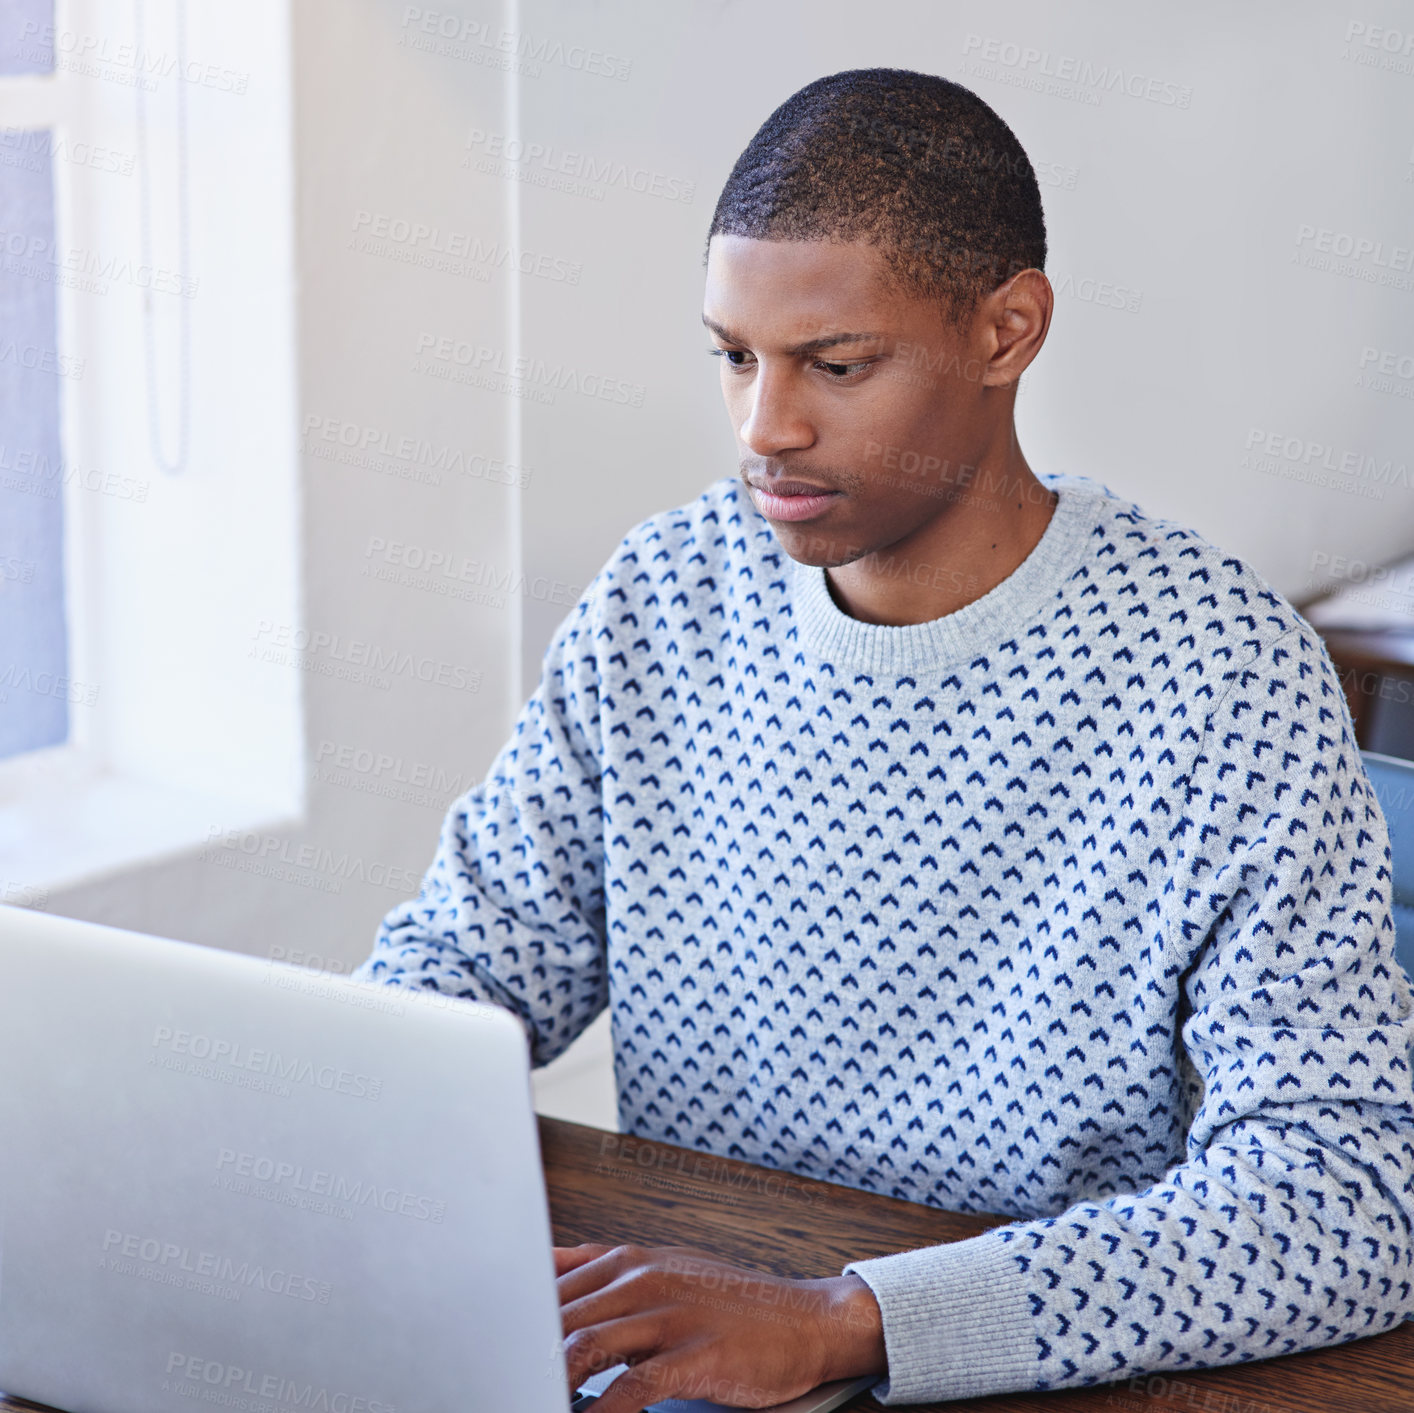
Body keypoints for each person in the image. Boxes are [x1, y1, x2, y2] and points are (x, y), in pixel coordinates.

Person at [353, 68, 1414, 1409]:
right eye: (733, 356)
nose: (764, 427)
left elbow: (1345, 1200)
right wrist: (316, 1135)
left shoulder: (1221, 674)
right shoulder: (662, 597)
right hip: (697, 1364)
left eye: (835, 366)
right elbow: (462, 970)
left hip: (1045, 1369)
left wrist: (850, 1318)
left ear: (1005, 330)